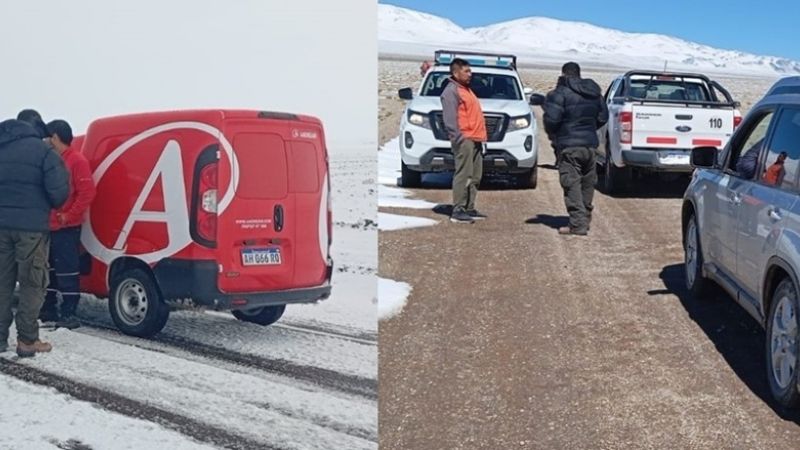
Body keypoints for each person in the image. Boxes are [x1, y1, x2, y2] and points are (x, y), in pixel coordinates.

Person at [0, 109, 69, 357]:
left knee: (2, 281)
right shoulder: (44, 153)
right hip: (31, 229)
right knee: (33, 282)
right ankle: (28, 340)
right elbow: (59, 193)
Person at [39, 120, 96, 328]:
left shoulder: (76, 161)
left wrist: (69, 215)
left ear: (55, 137)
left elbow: (87, 192)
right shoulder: (54, 159)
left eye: (48, 137)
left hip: (66, 227)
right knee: (50, 269)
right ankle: (48, 308)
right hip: (50, 225)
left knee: (67, 269)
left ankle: (69, 312)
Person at [543, 62, 608, 236]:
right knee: (587, 183)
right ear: (579, 74)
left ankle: (578, 224)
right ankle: (584, 219)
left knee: (571, 184)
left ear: (563, 74)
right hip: (590, 145)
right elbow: (603, 117)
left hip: (569, 146)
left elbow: (552, 121)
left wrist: (557, 135)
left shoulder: (559, 94)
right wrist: (588, 128)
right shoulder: (594, 93)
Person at [441, 58, 488, 224]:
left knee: (476, 175)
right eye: (466, 71)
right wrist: (458, 138)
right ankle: (458, 209)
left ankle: (469, 207)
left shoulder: (466, 90)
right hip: (464, 139)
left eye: (470, 71)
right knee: (464, 174)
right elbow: (449, 118)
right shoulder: (451, 91)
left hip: (475, 139)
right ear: (456, 73)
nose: (470, 74)